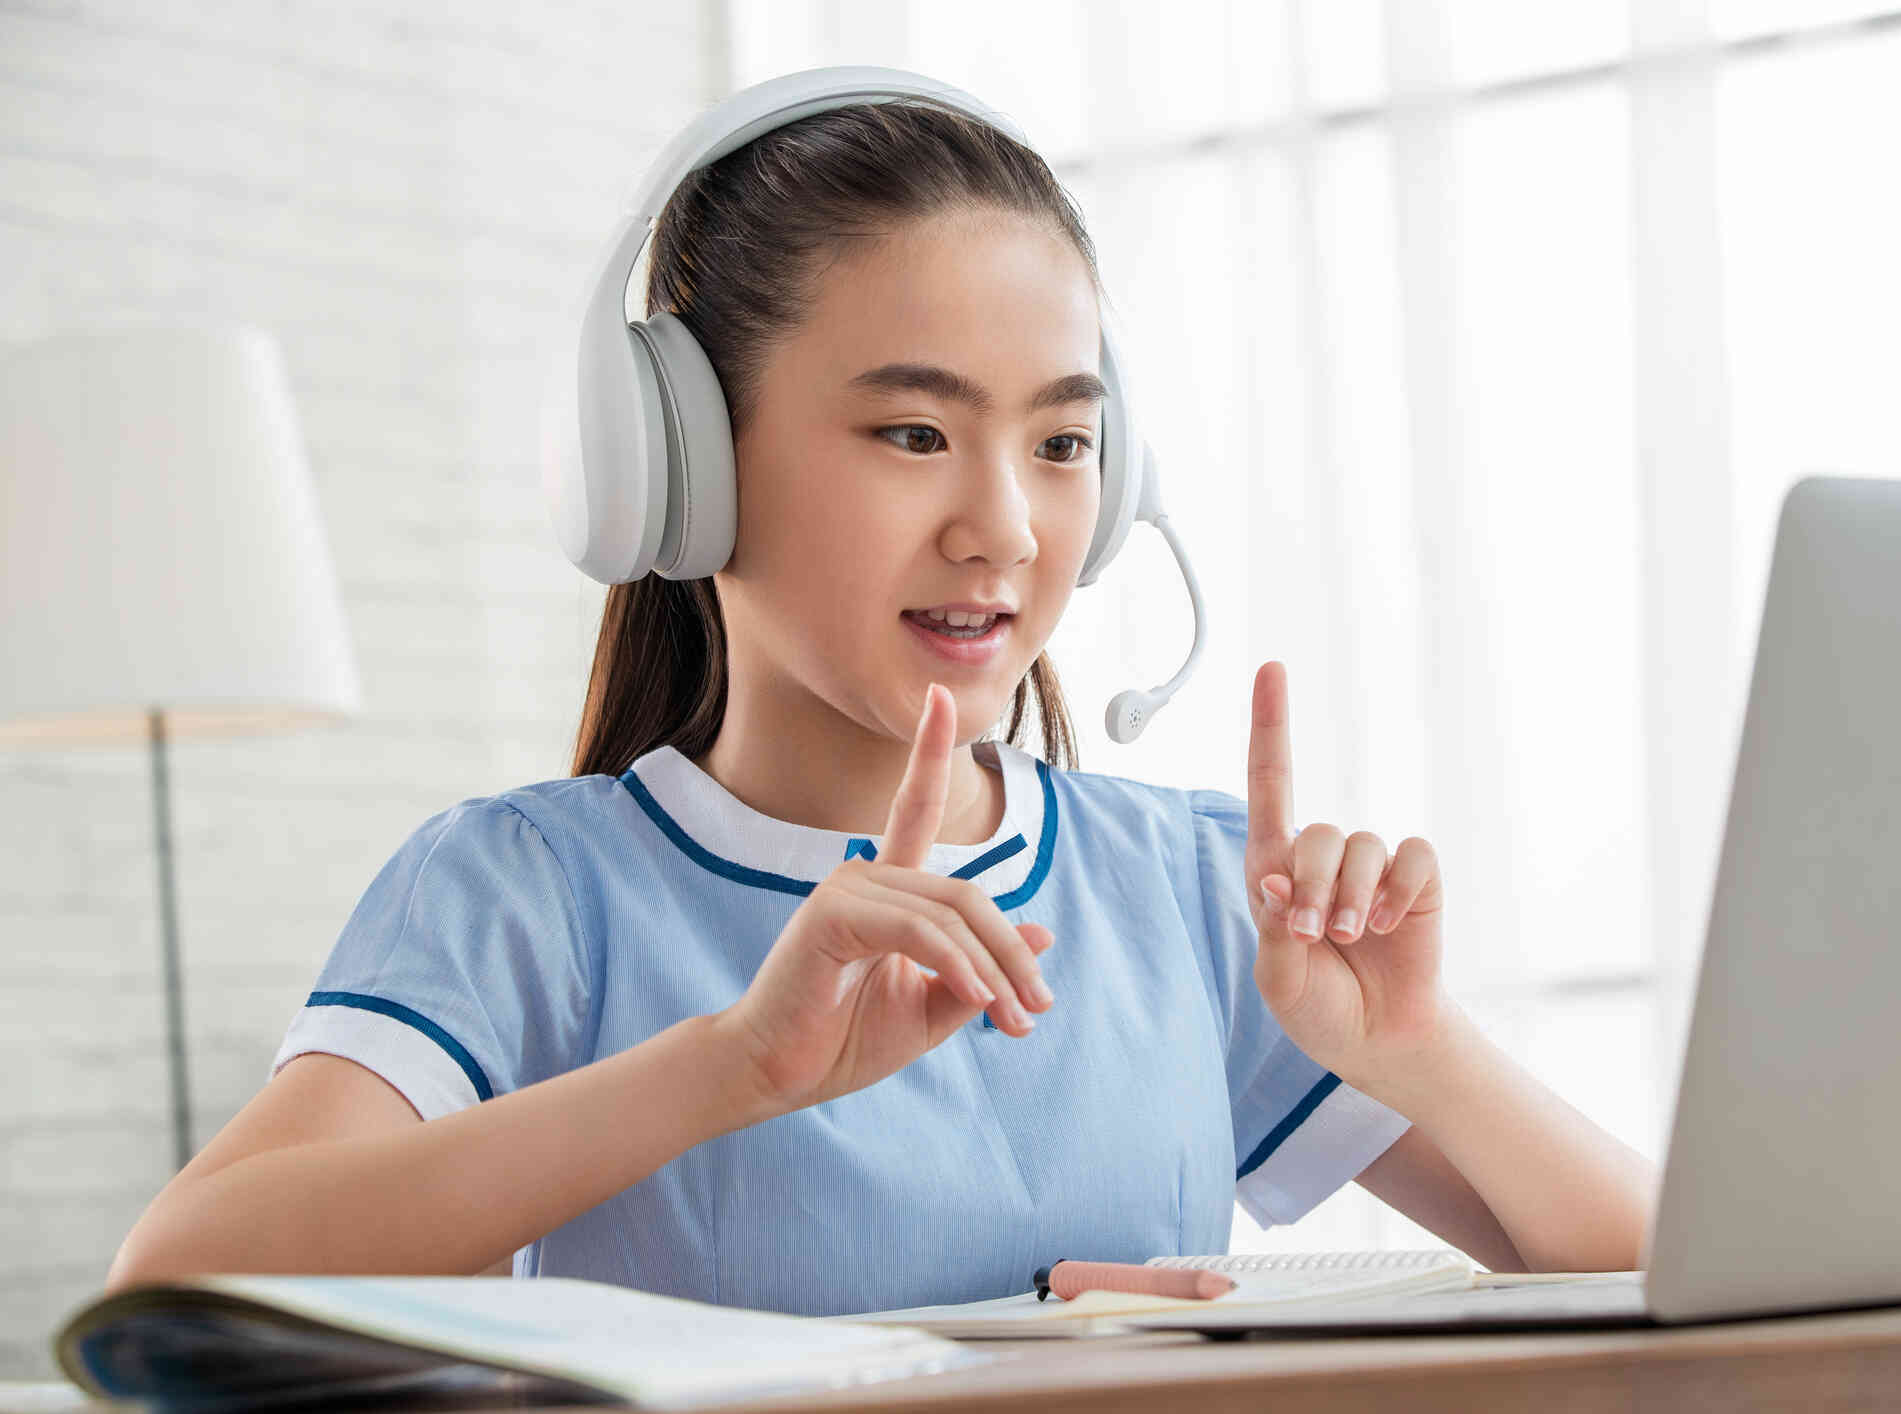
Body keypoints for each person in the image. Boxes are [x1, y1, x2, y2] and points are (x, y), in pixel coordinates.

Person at [106, 97, 1653, 1314]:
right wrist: (729, 1069)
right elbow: (178, 1284)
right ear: (680, 466)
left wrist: (1422, 1049)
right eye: (915, 432)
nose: (1007, 527)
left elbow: (1661, 1276)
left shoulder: (1189, 890)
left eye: (1059, 443)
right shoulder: (529, 894)